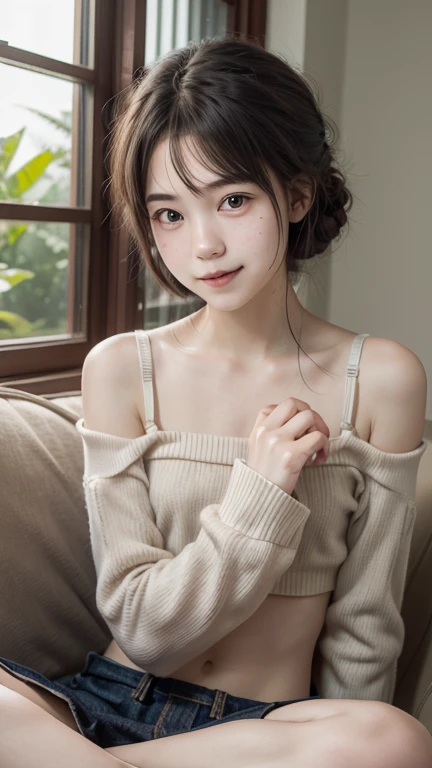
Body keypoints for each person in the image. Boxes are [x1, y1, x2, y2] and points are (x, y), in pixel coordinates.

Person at [1, 36, 431, 768]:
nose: (203, 244)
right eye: (169, 214)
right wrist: (258, 495)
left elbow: (366, 631)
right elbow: (143, 630)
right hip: (104, 702)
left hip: (265, 736)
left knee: (391, 738)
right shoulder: (122, 370)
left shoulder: (380, 379)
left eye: (232, 200)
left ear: (296, 195)